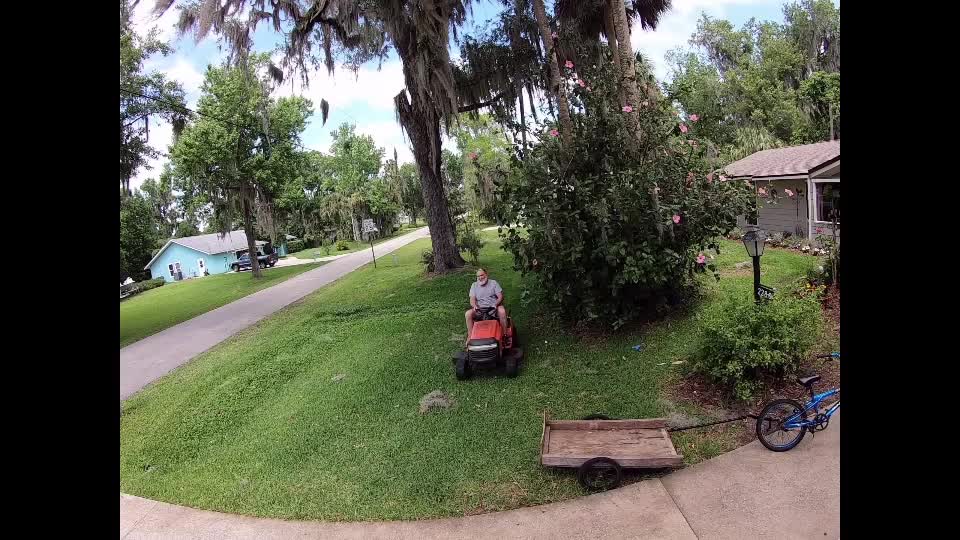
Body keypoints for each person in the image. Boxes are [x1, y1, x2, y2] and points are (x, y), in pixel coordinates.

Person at [465, 268, 510, 346]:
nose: (480, 277)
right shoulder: (474, 285)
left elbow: (500, 296)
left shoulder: (493, 283)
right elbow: (472, 299)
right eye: (478, 276)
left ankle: (505, 335)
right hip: (479, 309)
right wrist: (474, 306)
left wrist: (496, 304)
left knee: (502, 311)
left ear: (486, 274)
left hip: (493, 307)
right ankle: (470, 336)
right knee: (468, 314)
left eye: (482, 275)